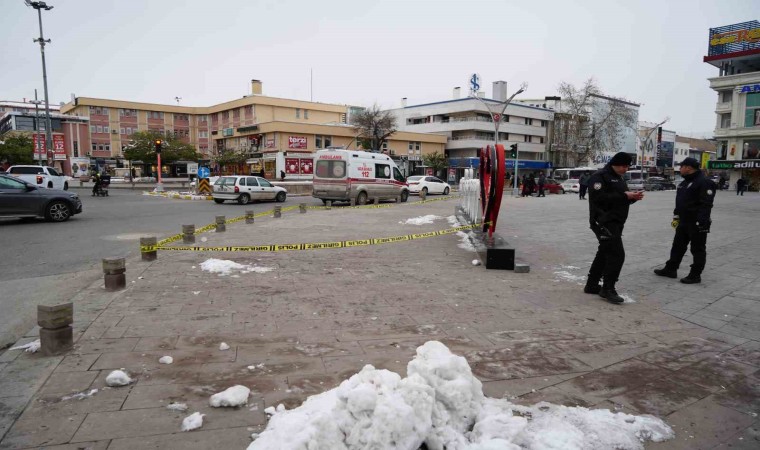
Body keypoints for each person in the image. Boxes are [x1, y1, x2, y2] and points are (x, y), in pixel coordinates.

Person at [585, 152, 645, 304]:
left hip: (616, 221)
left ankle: (592, 284)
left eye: (627, 166)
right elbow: (599, 198)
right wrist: (625, 196)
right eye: (623, 166)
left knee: (604, 252)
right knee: (617, 255)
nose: (625, 169)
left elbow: (619, 199)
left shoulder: (619, 178)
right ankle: (608, 288)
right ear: (615, 163)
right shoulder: (600, 177)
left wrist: (632, 198)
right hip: (603, 221)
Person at [654, 157, 716, 284]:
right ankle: (671, 269)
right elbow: (680, 203)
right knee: (677, 246)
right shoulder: (684, 183)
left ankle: (695, 274)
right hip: (683, 221)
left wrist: (702, 222)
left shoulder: (704, 182)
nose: (680, 169)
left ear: (688, 168)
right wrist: (676, 217)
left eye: (681, 166)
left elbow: (706, 204)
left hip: (697, 222)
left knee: (697, 249)